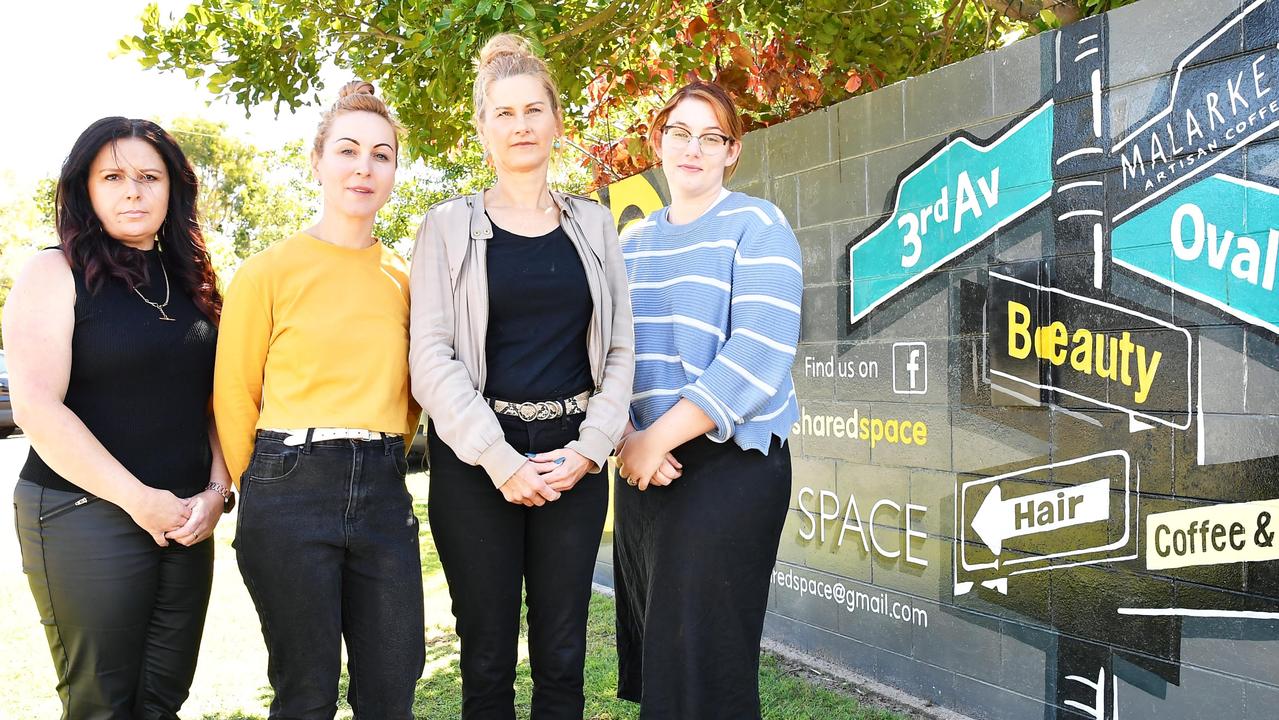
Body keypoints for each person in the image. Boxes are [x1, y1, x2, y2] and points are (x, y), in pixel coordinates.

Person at [409, 33, 634, 720]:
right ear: (481, 129)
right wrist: (499, 459)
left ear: (557, 123)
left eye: (533, 110)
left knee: (563, 658)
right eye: (503, 114)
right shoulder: (445, 228)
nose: (520, 126)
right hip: (476, 462)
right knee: (484, 659)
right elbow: (430, 357)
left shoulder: (593, 226)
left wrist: (590, 449)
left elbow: (621, 349)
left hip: (573, 455)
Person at [213, 81, 424, 720]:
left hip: (385, 491)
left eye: (381, 154)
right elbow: (234, 392)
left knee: (393, 684)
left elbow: (415, 390)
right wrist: (260, 483)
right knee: (305, 694)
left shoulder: (407, 278)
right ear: (318, 159)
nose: (364, 167)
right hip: (288, 486)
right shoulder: (267, 272)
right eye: (348, 150)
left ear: (393, 171)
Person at [4, 117, 227, 719]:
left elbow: (210, 401)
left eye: (149, 177)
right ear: (87, 189)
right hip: (82, 514)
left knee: (163, 700)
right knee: (102, 704)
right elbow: (37, 407)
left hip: (186, 518)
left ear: (173, 189)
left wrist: (216, 489)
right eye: (114, 176)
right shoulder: (52, 273)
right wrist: (138, 499)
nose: (133, 190)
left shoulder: (192, 280)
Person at [613, 80, 803, 719]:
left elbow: (758, 352)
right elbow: (607, 359)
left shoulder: (757, 224)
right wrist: (625, 441)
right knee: (665, 658)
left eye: (710, 136)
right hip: (647, 470)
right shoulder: (631, 245)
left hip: (730, 466)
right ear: (658, 144)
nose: (692, 148)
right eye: (678, 133)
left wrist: (655, 438)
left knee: (706, 663)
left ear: (733, 151)